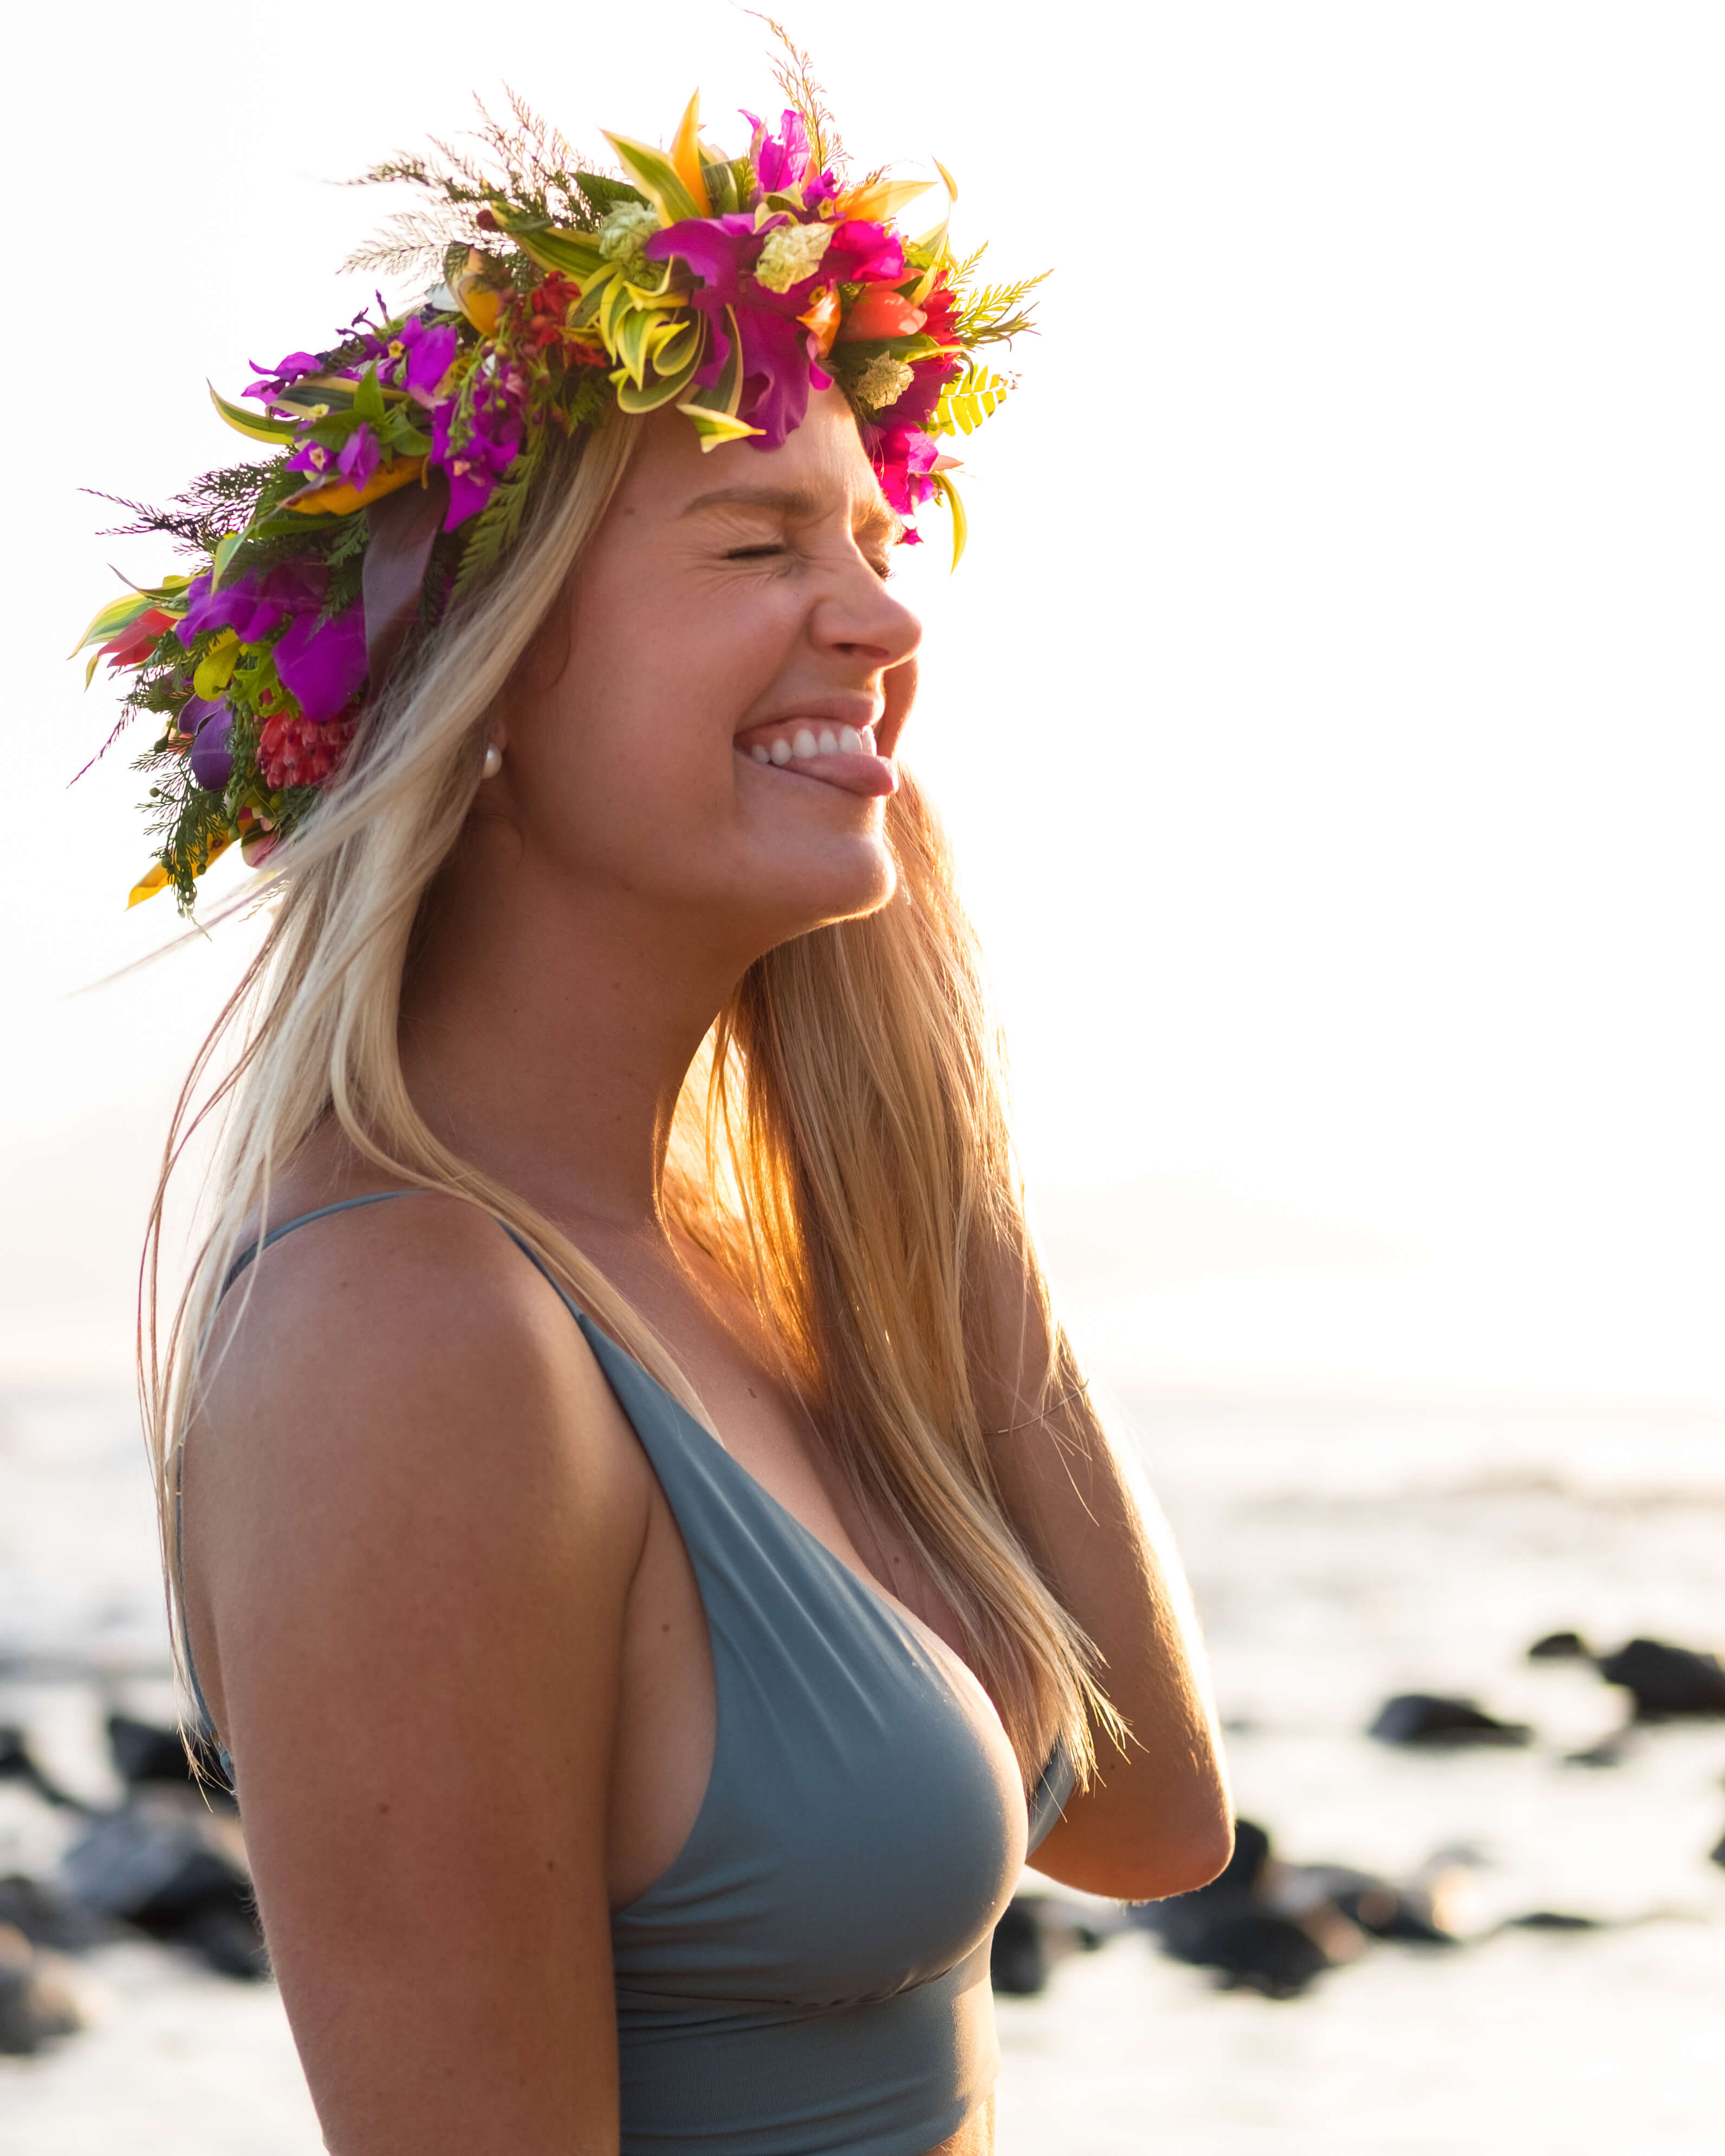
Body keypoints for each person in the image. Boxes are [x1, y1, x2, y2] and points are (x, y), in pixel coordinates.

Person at [90, 66, 1229, 2156]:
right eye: (759, 538)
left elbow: (1151, 1811)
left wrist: (919, 1103)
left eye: (877, 543)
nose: (887, 618)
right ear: (491, 682)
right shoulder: (407, 1336)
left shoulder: (724, 1272)